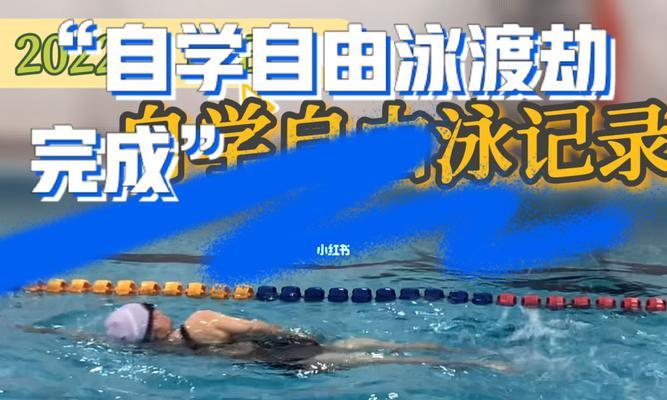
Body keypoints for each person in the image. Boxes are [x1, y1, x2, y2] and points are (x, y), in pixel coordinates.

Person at [102, 303, 509, 372]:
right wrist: (294, 334)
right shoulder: (201, 319)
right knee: (381, 351)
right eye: (151, 307)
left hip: (273, 367)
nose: (159, 307)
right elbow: (258, 327)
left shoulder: (169, 353)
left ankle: (475, 360)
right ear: (152, 321)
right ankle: (476, 359)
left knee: (373, 359)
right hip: (284, 348)